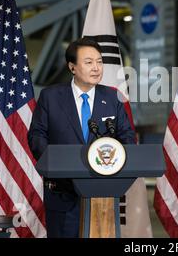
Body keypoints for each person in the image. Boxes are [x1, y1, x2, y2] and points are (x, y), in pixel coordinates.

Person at [28, 37, 135, 238]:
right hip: (62, 194)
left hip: (102, 195)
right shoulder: (50, 97)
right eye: (88, 62)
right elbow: (36, 136)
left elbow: (127, 137)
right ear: (72, 67)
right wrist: (57, 164)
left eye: (99, 61)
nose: (96, 67)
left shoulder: (113, 98)